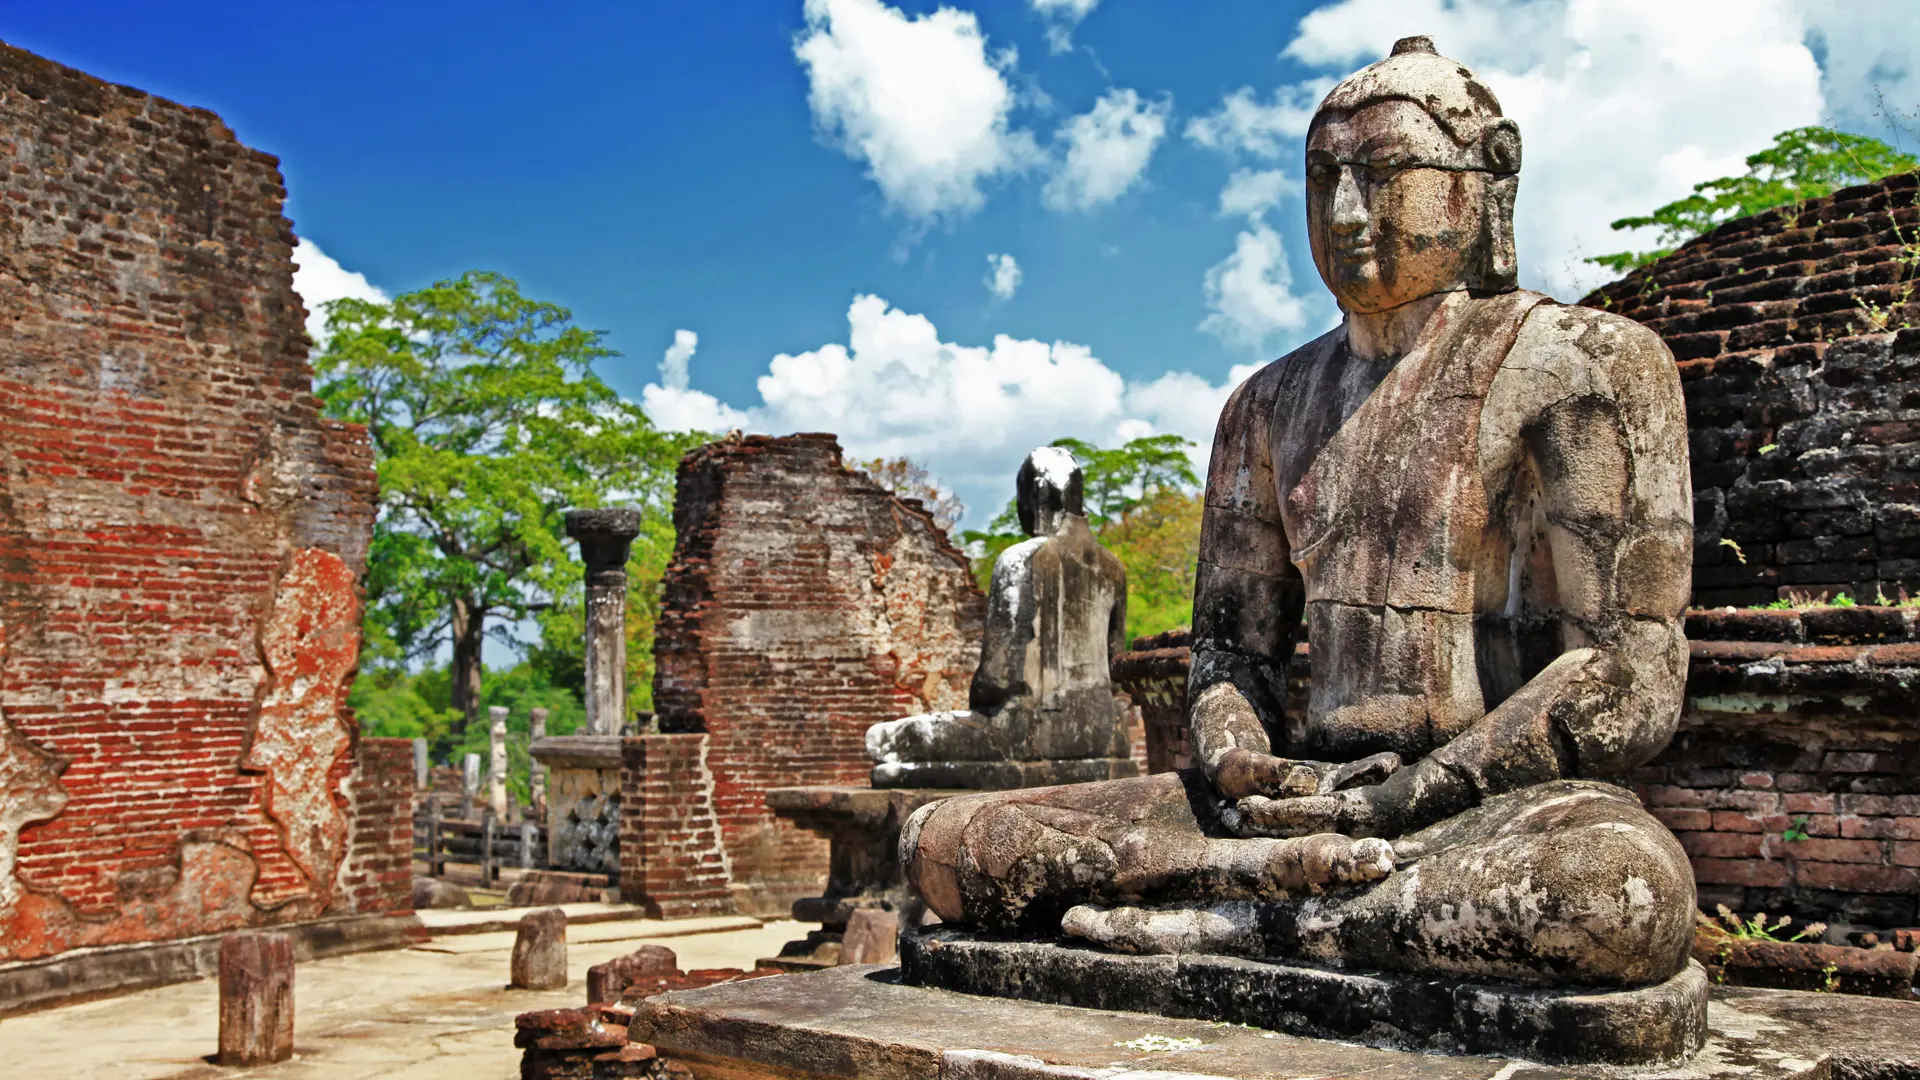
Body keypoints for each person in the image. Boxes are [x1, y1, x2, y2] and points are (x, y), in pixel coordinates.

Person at [897, 36, 1695, 988]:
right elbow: (1232, 656)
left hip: (1481, 804)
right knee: (944, 842)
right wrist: (1236, 754)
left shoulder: (1585, 366)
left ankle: (1238, 917)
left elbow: (1627, 676)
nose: (1347, 212)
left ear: (1484, 181)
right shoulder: (1266, 405)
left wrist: (1405, 798)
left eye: (1388, 172)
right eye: (1323, 180)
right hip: (1294, 801)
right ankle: (1283, 893)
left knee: (1614, 894)